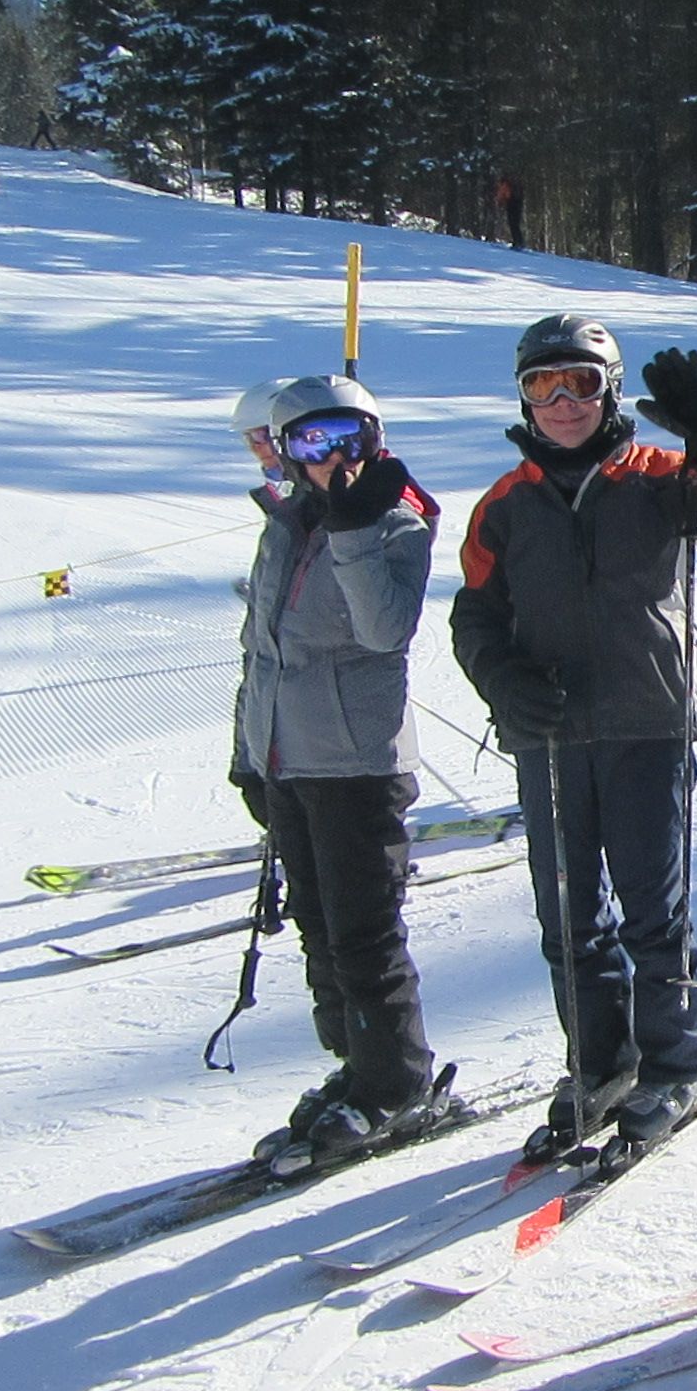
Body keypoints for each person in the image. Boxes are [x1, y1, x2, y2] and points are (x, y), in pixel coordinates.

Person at [451, 315, 697, 1156]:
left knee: (651, 910)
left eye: (583, 384)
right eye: (542, 386)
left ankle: (678, 1062)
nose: (563, 404)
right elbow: (476, 616)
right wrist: (503, 683)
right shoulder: (505, 505)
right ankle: (600, 1062)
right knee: (567, 916)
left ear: (611, 388)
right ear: (522, 395)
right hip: (550, 738)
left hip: (646, 726)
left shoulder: (663, 479)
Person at [231, 375, 445, 1166]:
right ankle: (357, 1068)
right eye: (315, 444)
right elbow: (261, 649)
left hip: (356, 764)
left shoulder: (395, 522)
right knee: (316, 928)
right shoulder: (285, 524)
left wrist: (354, 528)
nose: (334, 461)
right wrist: (250, 756)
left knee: (363, 935)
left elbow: (384, 631)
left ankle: (395, 1083)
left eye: (349, 440)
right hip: (289, 761)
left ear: (374, 441)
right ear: (289, 453)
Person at [495, 174, 524, 251]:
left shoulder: (504, 185)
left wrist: (499, 202)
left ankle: (517, 242)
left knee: (512, 224)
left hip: (511, 204)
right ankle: (519, 241)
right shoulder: (514, 185)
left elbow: (501, 195)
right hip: (518, 204)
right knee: (516, 224)